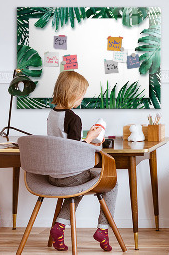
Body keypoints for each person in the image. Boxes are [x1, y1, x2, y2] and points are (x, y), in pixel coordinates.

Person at [47, 71, 117, 252]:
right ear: (72, 94)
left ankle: (59, 227)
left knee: (77, 186)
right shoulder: (73, 118)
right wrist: (91, 137)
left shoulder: (52, 114)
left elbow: (64, 143)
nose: (82, 99)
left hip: (53, 175)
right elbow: (75, 150)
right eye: (81, 95)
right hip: (70, 175)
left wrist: (86, 139)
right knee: (112, 183)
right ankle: (103, 229)